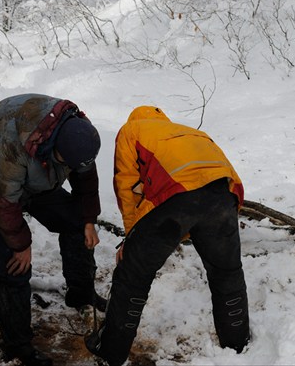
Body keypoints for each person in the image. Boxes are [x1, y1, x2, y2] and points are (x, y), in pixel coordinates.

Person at [85, 106, 250, 366]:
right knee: (227, 273)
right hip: (224, 195)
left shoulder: (132, 130)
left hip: (177, 198)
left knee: (133, 276)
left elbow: (126, 187)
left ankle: (111, 352)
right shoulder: (193, 133)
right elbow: (231, 180)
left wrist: (132, 239)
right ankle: (237, 346)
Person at [0, 93, 107, 366]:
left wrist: (89, 219)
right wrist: (20, 243)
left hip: (37, 176)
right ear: (55, 149)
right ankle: (17, 347)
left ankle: (81, 292)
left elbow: (86, 176)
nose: (72, 168)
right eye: (67, 162)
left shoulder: (78, 137)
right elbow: (3, 199)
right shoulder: (15, 145)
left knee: (76, 221)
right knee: (13, 265)